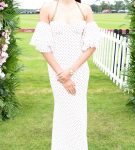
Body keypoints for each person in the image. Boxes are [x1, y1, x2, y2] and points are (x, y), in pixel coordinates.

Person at [30, 0, 101, 149]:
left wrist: (71, 71)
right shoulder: (48, 8)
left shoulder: (85, 9)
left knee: (78, 111)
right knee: (63, 111)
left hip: (79, 70)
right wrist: (61, 73)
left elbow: (92, 44)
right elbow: (43, 45)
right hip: (57, 70)